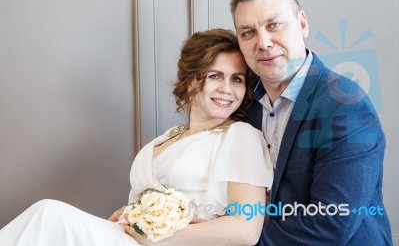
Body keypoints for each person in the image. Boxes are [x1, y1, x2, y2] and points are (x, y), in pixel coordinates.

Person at [0, 28, 274, 246]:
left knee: (49, 214)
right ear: (191, 80)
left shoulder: (240, 137)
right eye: (216, 76)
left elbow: (245, 229)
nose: (228, 89)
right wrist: (132, 214)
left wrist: (161, 238)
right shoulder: (165, 139)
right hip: (130, 238)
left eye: (237, 79)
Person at [230, 0, 392, 245]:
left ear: (302, 23)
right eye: (248, 32)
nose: (264, 42)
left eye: (275, 25)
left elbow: (331, 225)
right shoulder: (242, 104)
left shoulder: (346, 105)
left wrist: (229, 239)